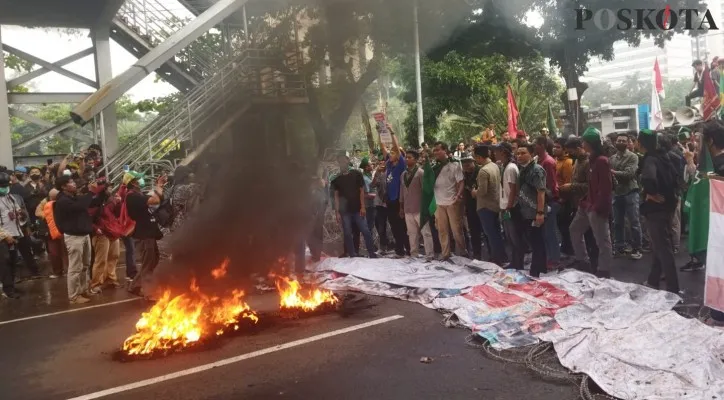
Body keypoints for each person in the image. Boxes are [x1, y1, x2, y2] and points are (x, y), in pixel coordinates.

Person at [638, 129, 680, 294]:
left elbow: (649, 180)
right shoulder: (667, 156)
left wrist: (651, 193)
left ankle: (673, 289)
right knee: (660, 246)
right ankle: (653, 280)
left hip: (656, 209)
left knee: (663, 249)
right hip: (669, 206)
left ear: (641, 143)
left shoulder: (650, 159)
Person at [569, 127, 613, 277]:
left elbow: (605, 188)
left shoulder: (602, 161)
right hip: (587, 204)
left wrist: (597, 207)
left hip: (596, 208)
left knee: (602, 240)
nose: (582, 144)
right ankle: (583, 262)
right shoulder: (591, 160)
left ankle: (604, 270)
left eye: (584, 142)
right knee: (574, 230)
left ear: (590, 143)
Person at [54, 175, 101, 304]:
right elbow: (81, 206)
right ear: (64, 186)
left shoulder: (74, 198)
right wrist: (91, 192)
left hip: (84, 234)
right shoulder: (63, 201)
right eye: (71, 182)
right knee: (75, 267)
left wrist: (102, 191)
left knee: (85, 265)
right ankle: (73, 296)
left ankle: (84, 289)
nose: (74, 184)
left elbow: (93, 202)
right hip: (74, 237)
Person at [124, 172, 167, 297]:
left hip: (148, 232)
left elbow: (159, 197)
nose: (141, 180)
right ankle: (147, 291)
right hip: (143, 234)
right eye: (138, 179)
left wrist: (159, 187)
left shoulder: (138, 195)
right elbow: (156, 200)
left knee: (153, 261)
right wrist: (159, 185)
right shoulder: (132, 197)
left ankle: (135, 285)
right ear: (133, 183)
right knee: (149, 262)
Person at [562, 137, 600, 272]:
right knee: (576, 231)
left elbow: (589, 186)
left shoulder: (589, 162)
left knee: (592, 237)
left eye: (571, 151)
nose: (569, 154)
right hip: (579, 202)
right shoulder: (577, 161)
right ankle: (583, 260)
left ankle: (595, 264)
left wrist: (571, 186)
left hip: (589, 203)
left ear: (578, 148)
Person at [331, 154, 378, 258]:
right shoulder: (336, 178)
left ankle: (371, 253)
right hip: (345, 211)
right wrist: (337, 212)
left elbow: (361, 191)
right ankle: (352, 254)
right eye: (340, 161)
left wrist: (362, 206)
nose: (342, 163)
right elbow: (336, 196)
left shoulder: (356, 174)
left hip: (358, 209)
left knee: (365, 230)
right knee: (347, 233)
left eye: (344, 160)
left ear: (348, 161)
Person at [515, 143, 547, 277]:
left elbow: (541, 192)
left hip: (534, 211)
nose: (520, 156)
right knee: (533, 240)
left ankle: (536, 271)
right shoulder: (522, 170)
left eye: (523, 153)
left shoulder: (536, 170)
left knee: (537, 241)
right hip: (525, 211)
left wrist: (539, 213)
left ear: (531, 154)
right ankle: (540, 267)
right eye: (518, 153)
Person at [610, 133, 643, 260]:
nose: (621, 143)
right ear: (615, 142)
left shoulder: (633, 156)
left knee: (634, 221)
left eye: (624, 141)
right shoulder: (612, 158)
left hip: (630, 191)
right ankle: (620, 247)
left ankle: (637, 248)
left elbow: (629, 174)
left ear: (628, 143)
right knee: (617, 222)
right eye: (619, 140)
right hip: (617, 192)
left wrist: (613, 172)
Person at [432, 142, 467, 260]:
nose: (436, 152)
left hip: (452, 201)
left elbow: (461, 182)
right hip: (438, 202)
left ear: (445, 150)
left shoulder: (455, 164)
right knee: (442, 230)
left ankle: (462, 252)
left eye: (438, 150)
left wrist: (457, 196)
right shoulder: (433, 166)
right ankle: (445, 253)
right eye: (434, 150)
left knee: (456, 229)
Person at [472, 145, 506, 265]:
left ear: (479, 157)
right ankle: (502, 256)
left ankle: (497, 259)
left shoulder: (483, 170)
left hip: (485, 206)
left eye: (475, 157)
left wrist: (474, 192)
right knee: (497, 233)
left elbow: (483, 191)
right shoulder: (495, 166)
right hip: (495, 204)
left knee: (491, 234)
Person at [380, 125, 409, 257]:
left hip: (398, 199)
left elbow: (396, 147)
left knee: (401, 226)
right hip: (390, 201)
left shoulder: (401, 165)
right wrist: (380, 132)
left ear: (399, 156)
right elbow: (383, 148)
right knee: (393, 226)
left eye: (393, 153)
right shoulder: (389, 165)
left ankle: (407, 248)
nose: (390, 154)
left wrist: (391, 131)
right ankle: (400, 250)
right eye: (390, 153)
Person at [400, 150, 434, 260]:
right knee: (411, 233)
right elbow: (402, 192)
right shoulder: (403, 174)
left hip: (419, 208)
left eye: (409, 157)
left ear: (415, 160)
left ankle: (430, 255)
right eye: (406, 157)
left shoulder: (420, 173)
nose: (406, 159)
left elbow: (426, 191)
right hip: (407, 208)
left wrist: (426, 207)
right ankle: (414, 254)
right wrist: (401, 207)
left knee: (426, 233)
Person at [89, 184, 123, 293]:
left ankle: (111, 279)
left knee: (114, 256)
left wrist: (119, 203)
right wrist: (95, 229)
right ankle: (96, 283)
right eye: (107, 188)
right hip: (102, 233)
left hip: (113, 231)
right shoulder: (94, 202)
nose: (110, 189)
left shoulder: (110, 200)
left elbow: (116, 214)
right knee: (101, 260)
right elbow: (88, 218)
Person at [495, 142, 523, 269]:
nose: (495, 153)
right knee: (509, 238)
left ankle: (518, 264)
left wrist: (509, 207)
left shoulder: (511, 168)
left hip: (510, 207)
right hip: (505, 206)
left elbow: (513, 189)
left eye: (497, 151)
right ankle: (514, 262)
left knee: (515, 237)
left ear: (503, 152)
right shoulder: (504, 166)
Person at [534, 136, 560, 268]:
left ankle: (554, 259)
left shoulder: (548, 162)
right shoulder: (539, 160)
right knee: (544, 232)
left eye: (536, 144)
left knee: (550, 232)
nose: (534, 146)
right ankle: (549, 257)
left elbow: (551, 184)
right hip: (543, 200)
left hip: (549, 201)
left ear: (543, 145)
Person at [553, 138, 574, 257]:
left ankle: (569, 250)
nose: (555, 149)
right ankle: (565, 248)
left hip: (564, 200)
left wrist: (563, 199)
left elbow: (568, 183)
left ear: (565, 150)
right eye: (554, 146)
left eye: (558, 147)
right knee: (561, 226)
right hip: (557, 197)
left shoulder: (568, 163)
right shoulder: (556, 161)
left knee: (565, 226)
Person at [461, 154, 483, 260]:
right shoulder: (464, 175)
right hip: (470, 206)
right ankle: (476, 253)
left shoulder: (480, 172)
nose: (466, 166)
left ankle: (493, 254)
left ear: (473, 162)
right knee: (474, 231)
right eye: (464, 164)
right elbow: (464, 192)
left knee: (486, 231)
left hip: (482, 205)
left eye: (468, 163)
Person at [169, 165, 201, 233]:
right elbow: (200, 189)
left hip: (177, 223)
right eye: (189, 174)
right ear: (185, 176)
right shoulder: (185, 188)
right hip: (184, 225)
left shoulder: (175, 187)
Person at [371, 161, 390, 252]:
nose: (382, 165)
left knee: (395, 225)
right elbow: (373, 184)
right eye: (380, 163)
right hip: (379, 203)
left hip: (390, 202)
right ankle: (383, 246)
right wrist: (377, 173)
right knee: (380, 225)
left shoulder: (391, 172)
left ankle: (398, 245)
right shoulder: (377, 173)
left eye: (384, 163)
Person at [359, 158, 377, 235]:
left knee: (371, 225)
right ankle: (370, 244)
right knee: (369, 225)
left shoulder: (369, 176)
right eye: (370, 164)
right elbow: (365, 195)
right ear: (366, 167)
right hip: (369, 206)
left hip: (372, 204)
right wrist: (377, 196)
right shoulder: (365, 179)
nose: (372, 165)